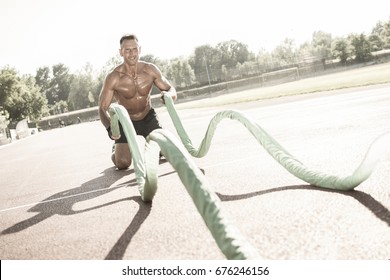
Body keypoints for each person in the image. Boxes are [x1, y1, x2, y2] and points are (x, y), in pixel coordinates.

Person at [99, 34, 177, 170]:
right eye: (127, 50)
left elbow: (171, 89)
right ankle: (116, 149)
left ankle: (153, 144)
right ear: (121, 52)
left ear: (139, 49)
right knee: (123, 163)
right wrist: (110, 129)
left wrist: (169, 95)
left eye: (134, 49)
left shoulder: (150, 70)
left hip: (148, 117)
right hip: (125, 121)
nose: (131, 53)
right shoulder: (114, 77)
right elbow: (102, 107)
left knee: (166, 151)